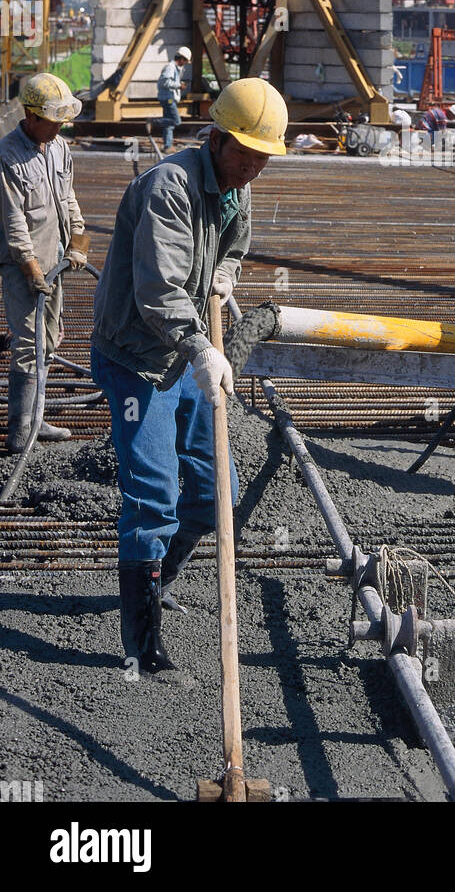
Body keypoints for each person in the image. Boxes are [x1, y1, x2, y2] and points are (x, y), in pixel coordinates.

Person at [90, 77, 288, 673]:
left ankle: (159, 581)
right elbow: (156, 291)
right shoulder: (169, 187)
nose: (254, 168)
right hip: (138, 359)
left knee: (212, 494)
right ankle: (141, 646)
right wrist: (203, 347)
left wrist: (224, 273)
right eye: (246, 153)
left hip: (185, 352)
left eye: (263, 158)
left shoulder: (235, 185)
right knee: (153, 501)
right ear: (217, 139)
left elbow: (232, 246)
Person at [0, 74, 89, 453]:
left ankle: (37, 419)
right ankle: (21, 432)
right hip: (24, 266)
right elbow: (13, 220)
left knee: (50, 339)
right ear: (31, 116)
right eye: (53, 120)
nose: (59, 126)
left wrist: (79, 239)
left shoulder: (58, 148)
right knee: (28, 343)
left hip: (54, 262)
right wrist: (30, 267)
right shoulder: (7, 157)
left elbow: (66, 197)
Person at [156, 46, 192, 155]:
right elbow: (164, 82)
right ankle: (154, 122)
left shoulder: (175, 68)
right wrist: (178, 86)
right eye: (185, 61)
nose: (185, 64)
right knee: (176, 121)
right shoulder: (170, 68)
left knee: (169, 124)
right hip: (168, 99)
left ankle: (168, 146)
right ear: (181, 59)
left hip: (169, 98)